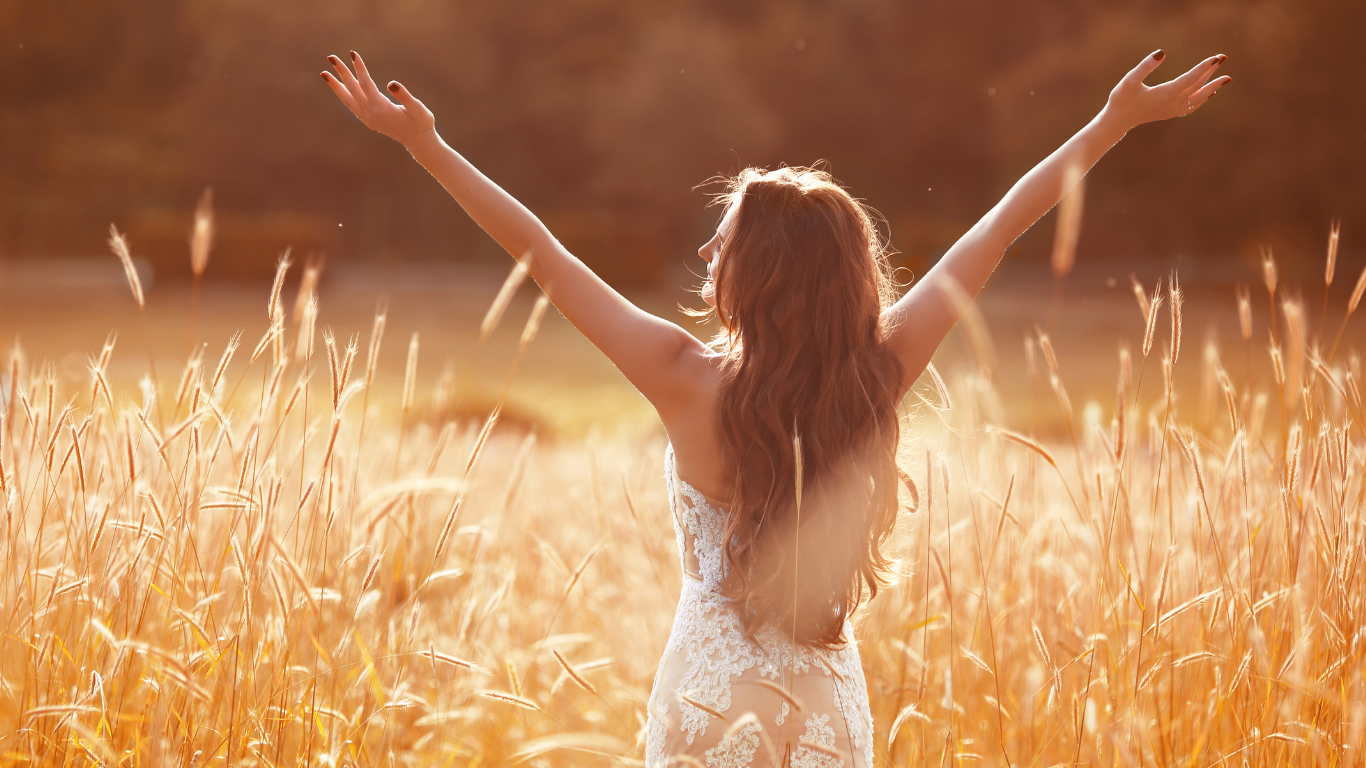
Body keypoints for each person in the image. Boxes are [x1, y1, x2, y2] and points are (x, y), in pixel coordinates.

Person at [323, 48, 1230, 767]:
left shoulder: (680, 375)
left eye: (724, 242)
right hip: (826, 705)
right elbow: (996, 229)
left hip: (710, 705)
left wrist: (427, 147)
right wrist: (1111, 125)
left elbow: (540, 250)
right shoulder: (877, 374)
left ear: (752, 276)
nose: (710, 253)